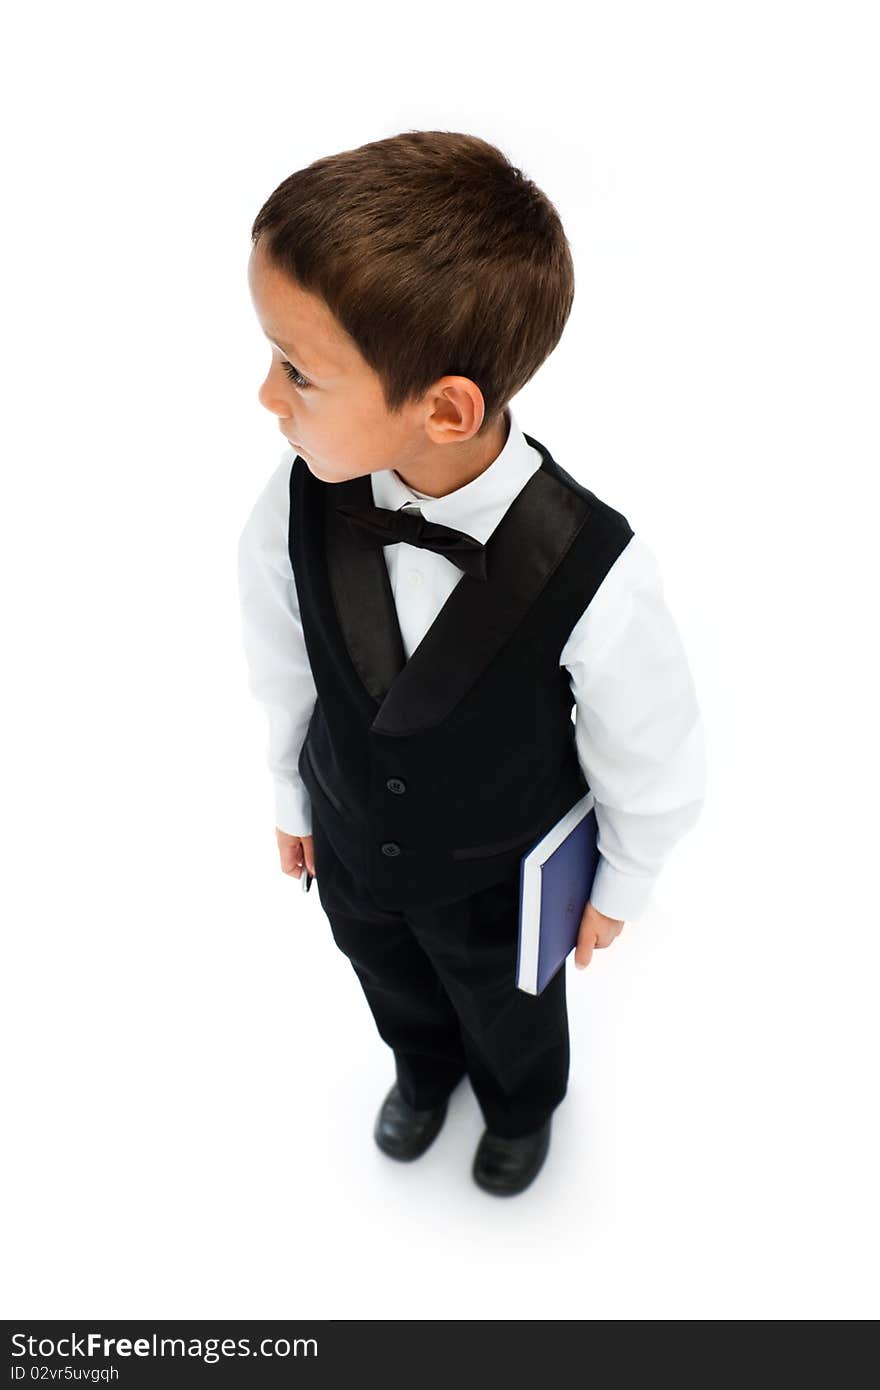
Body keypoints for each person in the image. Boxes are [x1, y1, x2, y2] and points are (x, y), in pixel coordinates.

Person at [237, 130, 706, 1197]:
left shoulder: (594, 564)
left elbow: (651, 744)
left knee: (512, 1004)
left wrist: (621, 878)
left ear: (443, 406)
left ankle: (518, 1105)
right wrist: (289, 790)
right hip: (354, 845)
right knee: (384, 973)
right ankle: (421, 1068)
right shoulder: (301, 493)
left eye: (298, 369)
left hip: (499, 878)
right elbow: (281, 652)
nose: (267, 396)